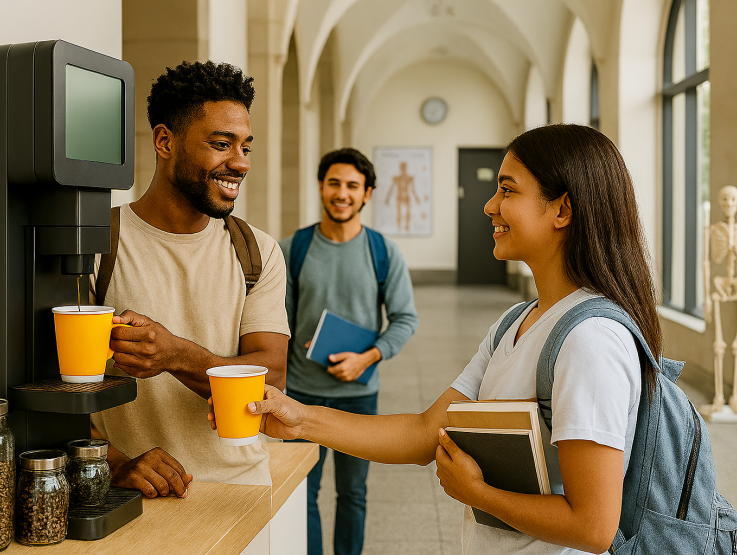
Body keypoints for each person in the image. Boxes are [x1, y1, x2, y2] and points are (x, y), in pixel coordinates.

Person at [212, 124, 662, 555]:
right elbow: (425, 433)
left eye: (507, 190)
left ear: (562, 210)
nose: (489, 205)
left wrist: (479, 493)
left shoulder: (591, 340)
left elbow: (593, 526)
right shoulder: (516, 321)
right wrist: (300, 419)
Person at [90, 60, 291, 498]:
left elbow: (272, 375)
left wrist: (175, 354)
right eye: (222, 144)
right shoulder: (96, 244)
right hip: (135, 494)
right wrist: (117, 463)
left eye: (246, 147)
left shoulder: (257, 251)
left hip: (243, 490)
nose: (240, 163)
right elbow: (55, 385)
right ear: (165, 142)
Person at [278, 148, 419, 555]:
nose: (342, 193)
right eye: (334, 183)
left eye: (352, 186)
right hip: (300, 396)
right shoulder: (294, 249)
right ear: (321, 187)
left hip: (358, 396)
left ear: (367, 194)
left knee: (352, 493)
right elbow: (277, 322)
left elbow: (405, 319)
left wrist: (367, 357)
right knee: (301, 492)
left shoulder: (383, 253)